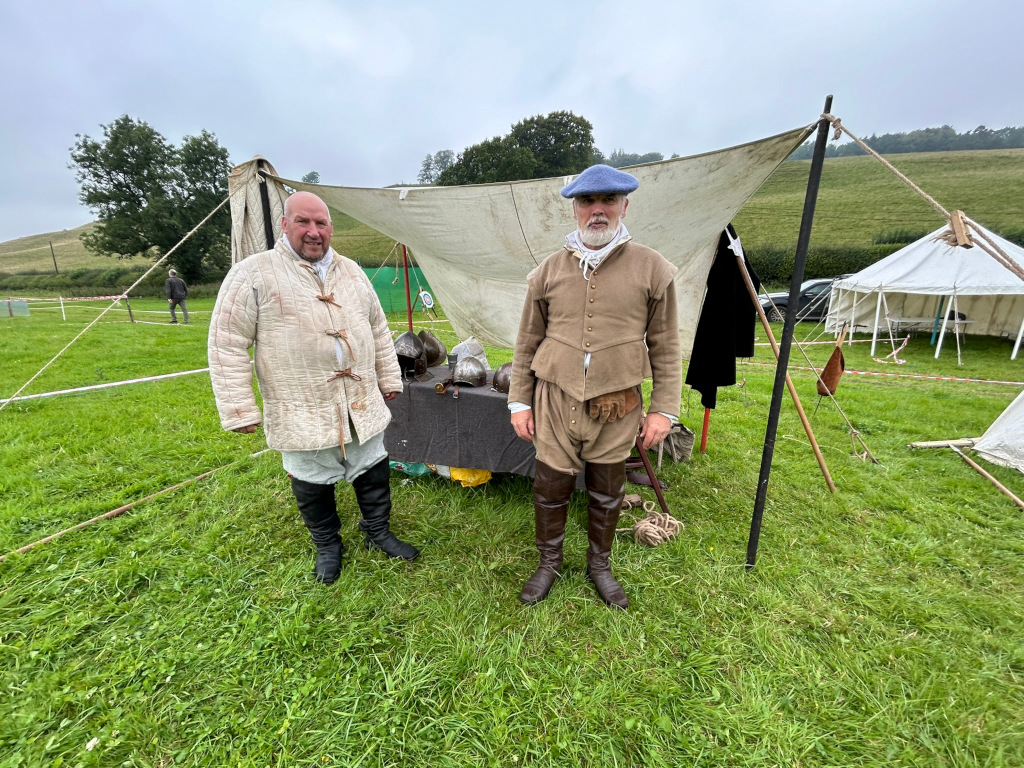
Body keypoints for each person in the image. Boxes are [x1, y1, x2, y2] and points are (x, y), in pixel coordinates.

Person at [208, 191, 418, 585]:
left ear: (330, 227)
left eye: (320, 223)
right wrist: (238, 408)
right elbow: (226, 341)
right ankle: (327, 546)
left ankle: (378, 533)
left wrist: (389, 378)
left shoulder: (352, 271)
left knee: (372, 463)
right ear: (285, 224)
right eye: (303, 222)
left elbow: (377, 327)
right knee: (310, 474)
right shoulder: (253, 273)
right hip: (300, 399)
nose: (313, 232)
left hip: (358, 396)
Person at [507, 165, 681, 610]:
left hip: (618, 404)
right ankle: (549, 562)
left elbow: (665, 344)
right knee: (550, 487)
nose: (597, 210)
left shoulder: (654, 268)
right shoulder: (547, 271)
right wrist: (519, 401)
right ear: (575, 210)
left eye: (608, 201)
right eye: (587, 201)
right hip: (553, 398)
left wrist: (664, 408)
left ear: (625, 205)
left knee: (607, 489)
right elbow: (527, 341)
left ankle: (599, 565)